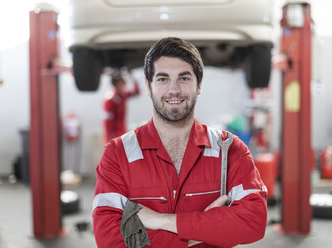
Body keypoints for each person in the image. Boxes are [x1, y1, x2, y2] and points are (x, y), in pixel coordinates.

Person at [93, 37, 267, 247]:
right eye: (163, 79)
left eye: (184, 78)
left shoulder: (229, 150)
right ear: (148, 86)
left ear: (199, 85)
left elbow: (253, 222)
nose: (173, 90)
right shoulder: (117, 154)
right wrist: (205, 230)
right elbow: (110, 240)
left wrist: (161, 221)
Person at [102, 69, 140, 144]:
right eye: (121, 84)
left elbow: (136, 92)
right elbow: (106, 121)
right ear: (116, 84)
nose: (123, 86)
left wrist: (131, 76)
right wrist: (108, 139)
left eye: (123, 84)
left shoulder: (123, 95)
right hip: (114, 135)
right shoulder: (110, 99)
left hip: (122, 131)